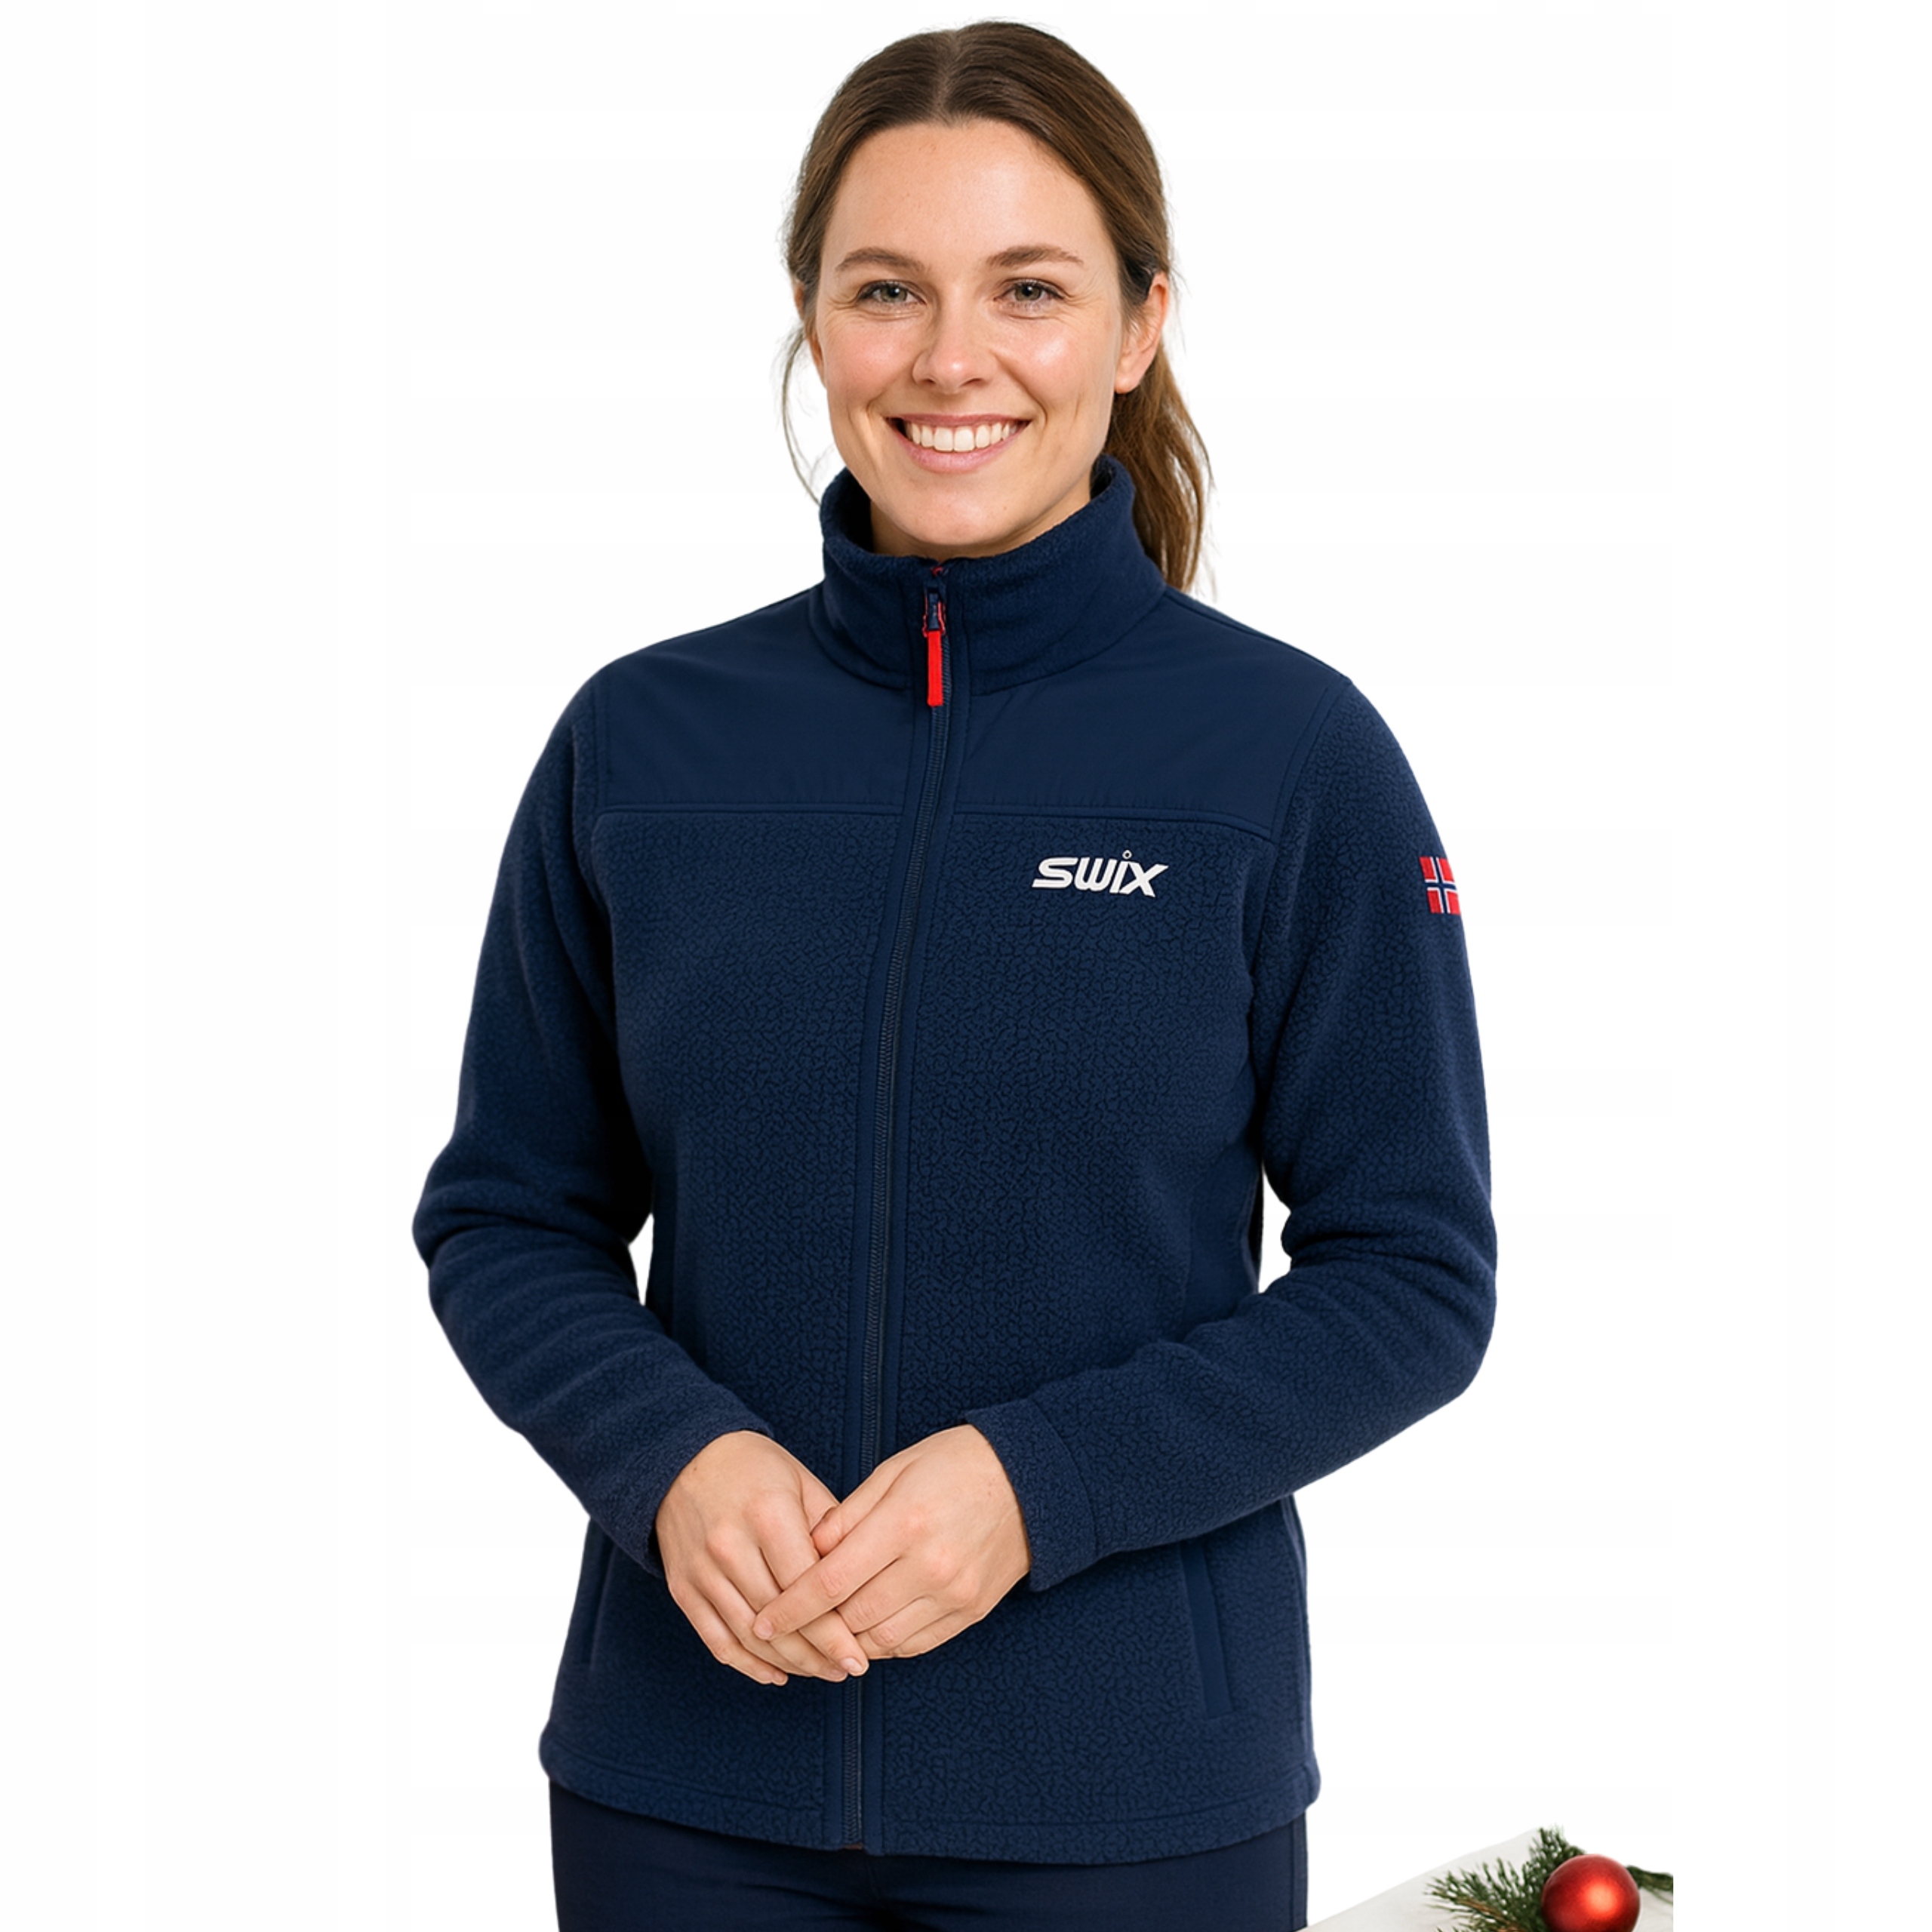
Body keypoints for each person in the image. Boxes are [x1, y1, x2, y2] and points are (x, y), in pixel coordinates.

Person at [412, 21, 1497, 1931]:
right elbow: (507, 1213)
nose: (947, 357)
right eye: (885, 289)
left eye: (1028, 289)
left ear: (1139, 324)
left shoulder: (1287, 757)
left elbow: (1411, 1272)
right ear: (811, 320)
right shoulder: (638, 743)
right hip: (684, 1789)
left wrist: (1035, 1482)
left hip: (1129, 1804)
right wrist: (669, 1456)